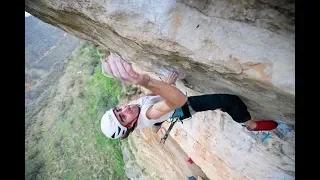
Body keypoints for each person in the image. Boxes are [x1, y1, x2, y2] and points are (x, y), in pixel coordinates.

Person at [100, 54, 278, 140]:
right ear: (130, 125)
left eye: (118, 109)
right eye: (123, 116)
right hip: (182, 107)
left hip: (164, 112)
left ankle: (158, 126)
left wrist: (166, 84)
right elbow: (177, 100)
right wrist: (146, 80)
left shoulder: (135, 109)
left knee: (157, 121)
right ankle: (249, 124)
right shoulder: (147, 114)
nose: (125, 109)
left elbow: (147, 97)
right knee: (230, 100)